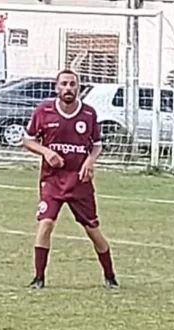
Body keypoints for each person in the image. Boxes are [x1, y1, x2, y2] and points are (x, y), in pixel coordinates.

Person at [21, 69, 117, 289]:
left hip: (79, 181)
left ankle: (110, 275)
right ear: (57, 87)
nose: (68, 88)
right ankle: (38, 278)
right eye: (64, 84)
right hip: (52, 179)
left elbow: (97, 144)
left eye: (72, 84)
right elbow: (27, 140)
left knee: (92, 230)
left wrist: (90, 161)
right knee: (45, 224)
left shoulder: (89, 114)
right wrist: (46, 152)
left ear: (78, 88)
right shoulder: (43, 111)